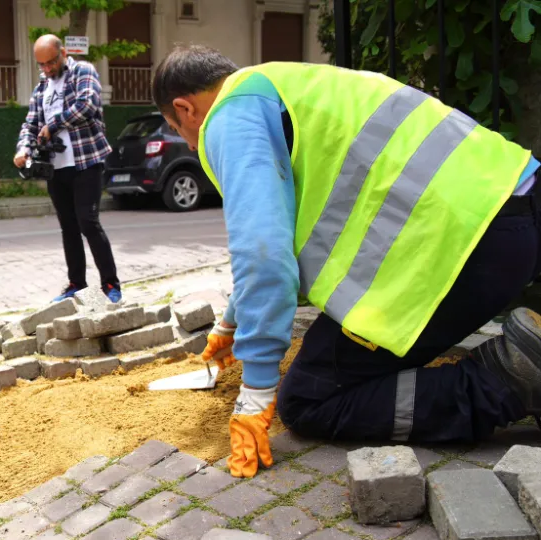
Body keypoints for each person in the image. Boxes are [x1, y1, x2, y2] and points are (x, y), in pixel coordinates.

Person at [151, 45, 541, 478]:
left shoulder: (227, 117)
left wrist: (257, 392)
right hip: (512, 198)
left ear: (185, 108)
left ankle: (509, 380)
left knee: (310, 399)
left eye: (178, 130)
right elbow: (276, 237)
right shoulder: (282, 84)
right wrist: (230, 324)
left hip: (464, 249)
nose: (189, 143)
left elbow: (264, 255)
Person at [15, 34, 123, 303]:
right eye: (42, 65)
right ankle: (78, 284)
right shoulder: (42, 87)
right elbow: (30, 124)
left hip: (86, 161)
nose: (48, 69)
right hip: (56, 167)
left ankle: (110, 284)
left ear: (62, 53)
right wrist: (23, 149)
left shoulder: (83, 71)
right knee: (68, 227)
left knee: (89, 221)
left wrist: (53, 125)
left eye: (51, 62)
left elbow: (87, 105)